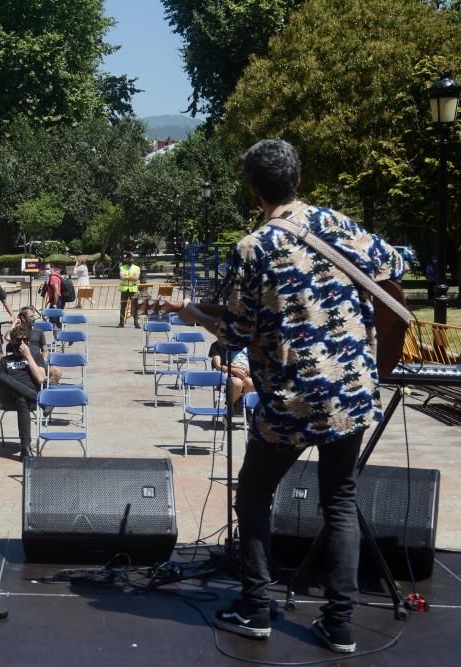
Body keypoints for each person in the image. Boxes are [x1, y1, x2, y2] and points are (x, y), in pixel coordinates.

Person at [178, 139, 404, 654]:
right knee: (340, 500)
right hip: (350, 393)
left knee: (255, 494)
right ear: (297, 179)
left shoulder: (254, 247)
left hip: (289, 399)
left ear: (253, 188)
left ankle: (256, 608)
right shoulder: (340, 226)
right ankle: (339, 626)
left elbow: (237, 330)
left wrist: (195, 316)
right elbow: (394, 266)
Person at [0, 323, 46, 461]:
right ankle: (38, 399)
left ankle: (25, 448)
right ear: (12, 341)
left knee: (21, 400)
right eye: (18, 340)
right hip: (9, 398)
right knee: (2, 376)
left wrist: (29, 357)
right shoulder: (5, 360)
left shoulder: (35, 357)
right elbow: (0, 384)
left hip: (26, 402)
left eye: (25, 340)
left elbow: (41, 379)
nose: (21, 343)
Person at [7, 307, 62, 385]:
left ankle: (44, 392)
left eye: (34, 316)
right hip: (21, 361)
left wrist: (43, 359)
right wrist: (14, 323)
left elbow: (45, 349)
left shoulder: (38, 332)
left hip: (37, 361)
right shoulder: (18, 332)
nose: (33, 319)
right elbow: (7, 337)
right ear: (23, 318)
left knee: (57, 372)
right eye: (31, 316)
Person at [208, 341, 253, 410]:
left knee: (251, 383)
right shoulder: (218, 345)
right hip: (228, 374)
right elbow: (218, 366)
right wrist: (234, 370)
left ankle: (246, 408)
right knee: (237, 383)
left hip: (246, 373)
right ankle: (230, 408)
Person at [117, 252, 141, 328]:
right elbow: (121, 277)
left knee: (135, 306)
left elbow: (136, 278)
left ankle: (136, 323)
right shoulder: (122, 267)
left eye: (131, 258)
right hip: (124, 290)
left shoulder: (137, 268)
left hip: (133, 290)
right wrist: (131, 277)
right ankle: (121, 323)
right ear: (126, 259)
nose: (130, 259)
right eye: (128, 258)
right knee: (123, 307)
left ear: (133, 259)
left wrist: (126, 276)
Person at [39, 263, 64, 334]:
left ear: (52, 268)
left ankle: (59, 338)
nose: (46, 271)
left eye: (47, 269)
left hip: (55, 302)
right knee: (57, 321)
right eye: (45, 269)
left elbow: (56, 291)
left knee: (53, 322)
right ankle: (64, 336)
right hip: (57, 301)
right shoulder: (55, 276)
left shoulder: (53, 278)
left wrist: (54, 304)